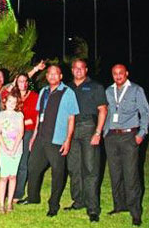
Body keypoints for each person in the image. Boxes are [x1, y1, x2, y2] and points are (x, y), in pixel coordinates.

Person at [18, 65, 79, 217]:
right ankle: (33, 197)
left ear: (61, 76)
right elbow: (39, 115)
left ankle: (53, 205)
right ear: (46, 77)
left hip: (57, 140)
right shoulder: (44, 91)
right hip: (41, 138)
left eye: (55, 73)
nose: (52, 76)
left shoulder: (68, 93)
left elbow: (72, 118)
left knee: (57, 173)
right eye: (49, 74)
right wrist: (34, 136)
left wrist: (68, 140)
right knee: (33, 167)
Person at [104, 64, 149, 227]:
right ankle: (119, 205)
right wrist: (105, 133)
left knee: (131, 175)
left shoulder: (136, 90)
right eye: (115, 74)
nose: (118, 76)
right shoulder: (109, 91)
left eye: (120, 73)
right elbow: (108, 112)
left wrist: (141, 134)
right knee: (115, 173)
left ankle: (135, 212)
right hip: (112, 137)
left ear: (126, 74)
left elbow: (145, 112)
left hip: (130, 135)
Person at [65, 58, 108, 222]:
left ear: (86, 70)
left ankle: (93, 209)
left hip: (88, 127)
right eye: (75, 68)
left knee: (90, 169)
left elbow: (103, 110)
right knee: (73, 167)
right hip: (71, 129)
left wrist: (98, 132)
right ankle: (78, 201)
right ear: (72, 70)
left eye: (81, 68)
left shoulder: (95, 86)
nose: (78, 70)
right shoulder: (67, 88)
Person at [11, 73, 38, 202]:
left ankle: (18, 192)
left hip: (27, 133)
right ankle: (9, 188)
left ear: (28, 83)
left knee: (23, 162)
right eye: (20, 81)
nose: (22, 83)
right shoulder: (12, 96)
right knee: (12, 160)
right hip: (12, 133)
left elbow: (36, 118)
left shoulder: (34, 96)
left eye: (25, 81)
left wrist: (34, 133)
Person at [0, 91, 24, 213]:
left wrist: (13, 149)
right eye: (9, 101)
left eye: (14, 102)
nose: (11, 104)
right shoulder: (0, 115)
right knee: (3, 177)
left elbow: (21, 133)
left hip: (16, 149)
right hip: (4, 149)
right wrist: (6, 148)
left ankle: (9, 203)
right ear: (5, 102)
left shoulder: (19, 115)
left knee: (13, 176)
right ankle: (1, 204)